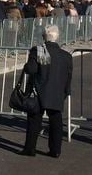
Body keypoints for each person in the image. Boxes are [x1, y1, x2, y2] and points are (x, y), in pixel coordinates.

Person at [19, 25, 72, 158]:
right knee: (56, 121)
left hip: (39, 89)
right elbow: (68, 76)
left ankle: (30, 148)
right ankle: (55, 150)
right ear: (57, 37)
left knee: (34, 120)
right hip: (57, 90)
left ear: (44, 37)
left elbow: (32, 70)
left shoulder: (41, 51)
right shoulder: (65, 55)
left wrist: (28, 64)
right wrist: (66, 91)